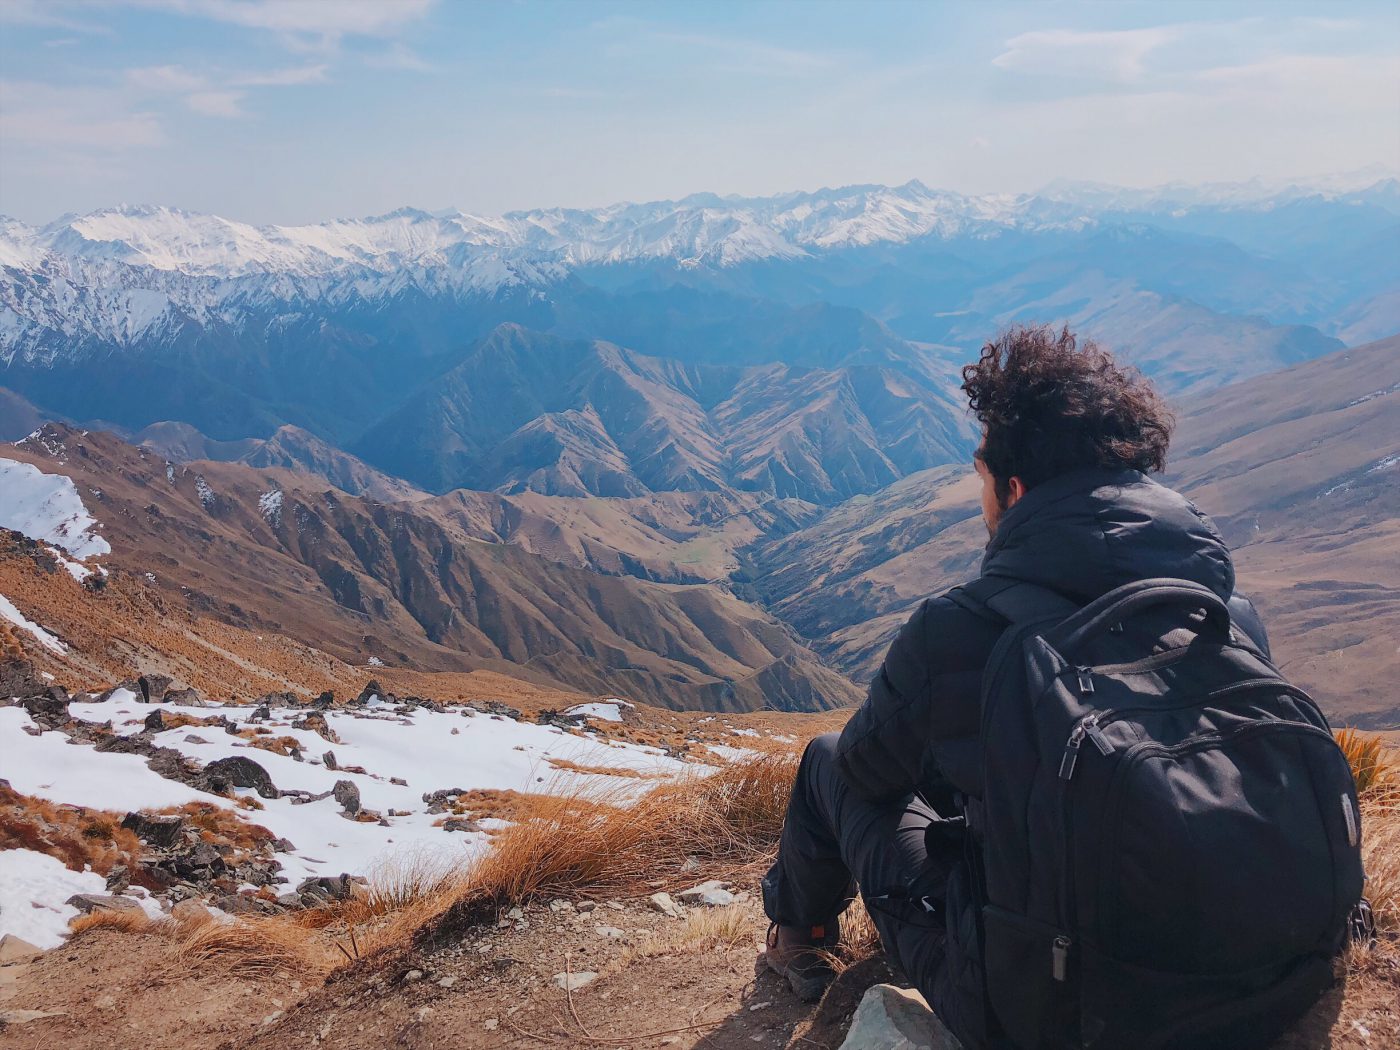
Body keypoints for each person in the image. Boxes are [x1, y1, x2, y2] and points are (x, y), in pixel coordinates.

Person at [760, 325, 1275, 1039]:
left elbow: (868, 772)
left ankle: (797, 936)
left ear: (1015, 487)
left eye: (981, 482)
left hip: (1046, 1012)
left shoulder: (963, 628)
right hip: (1258, 984)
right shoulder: (1226, 616)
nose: (982, 503)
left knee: (826, 760)